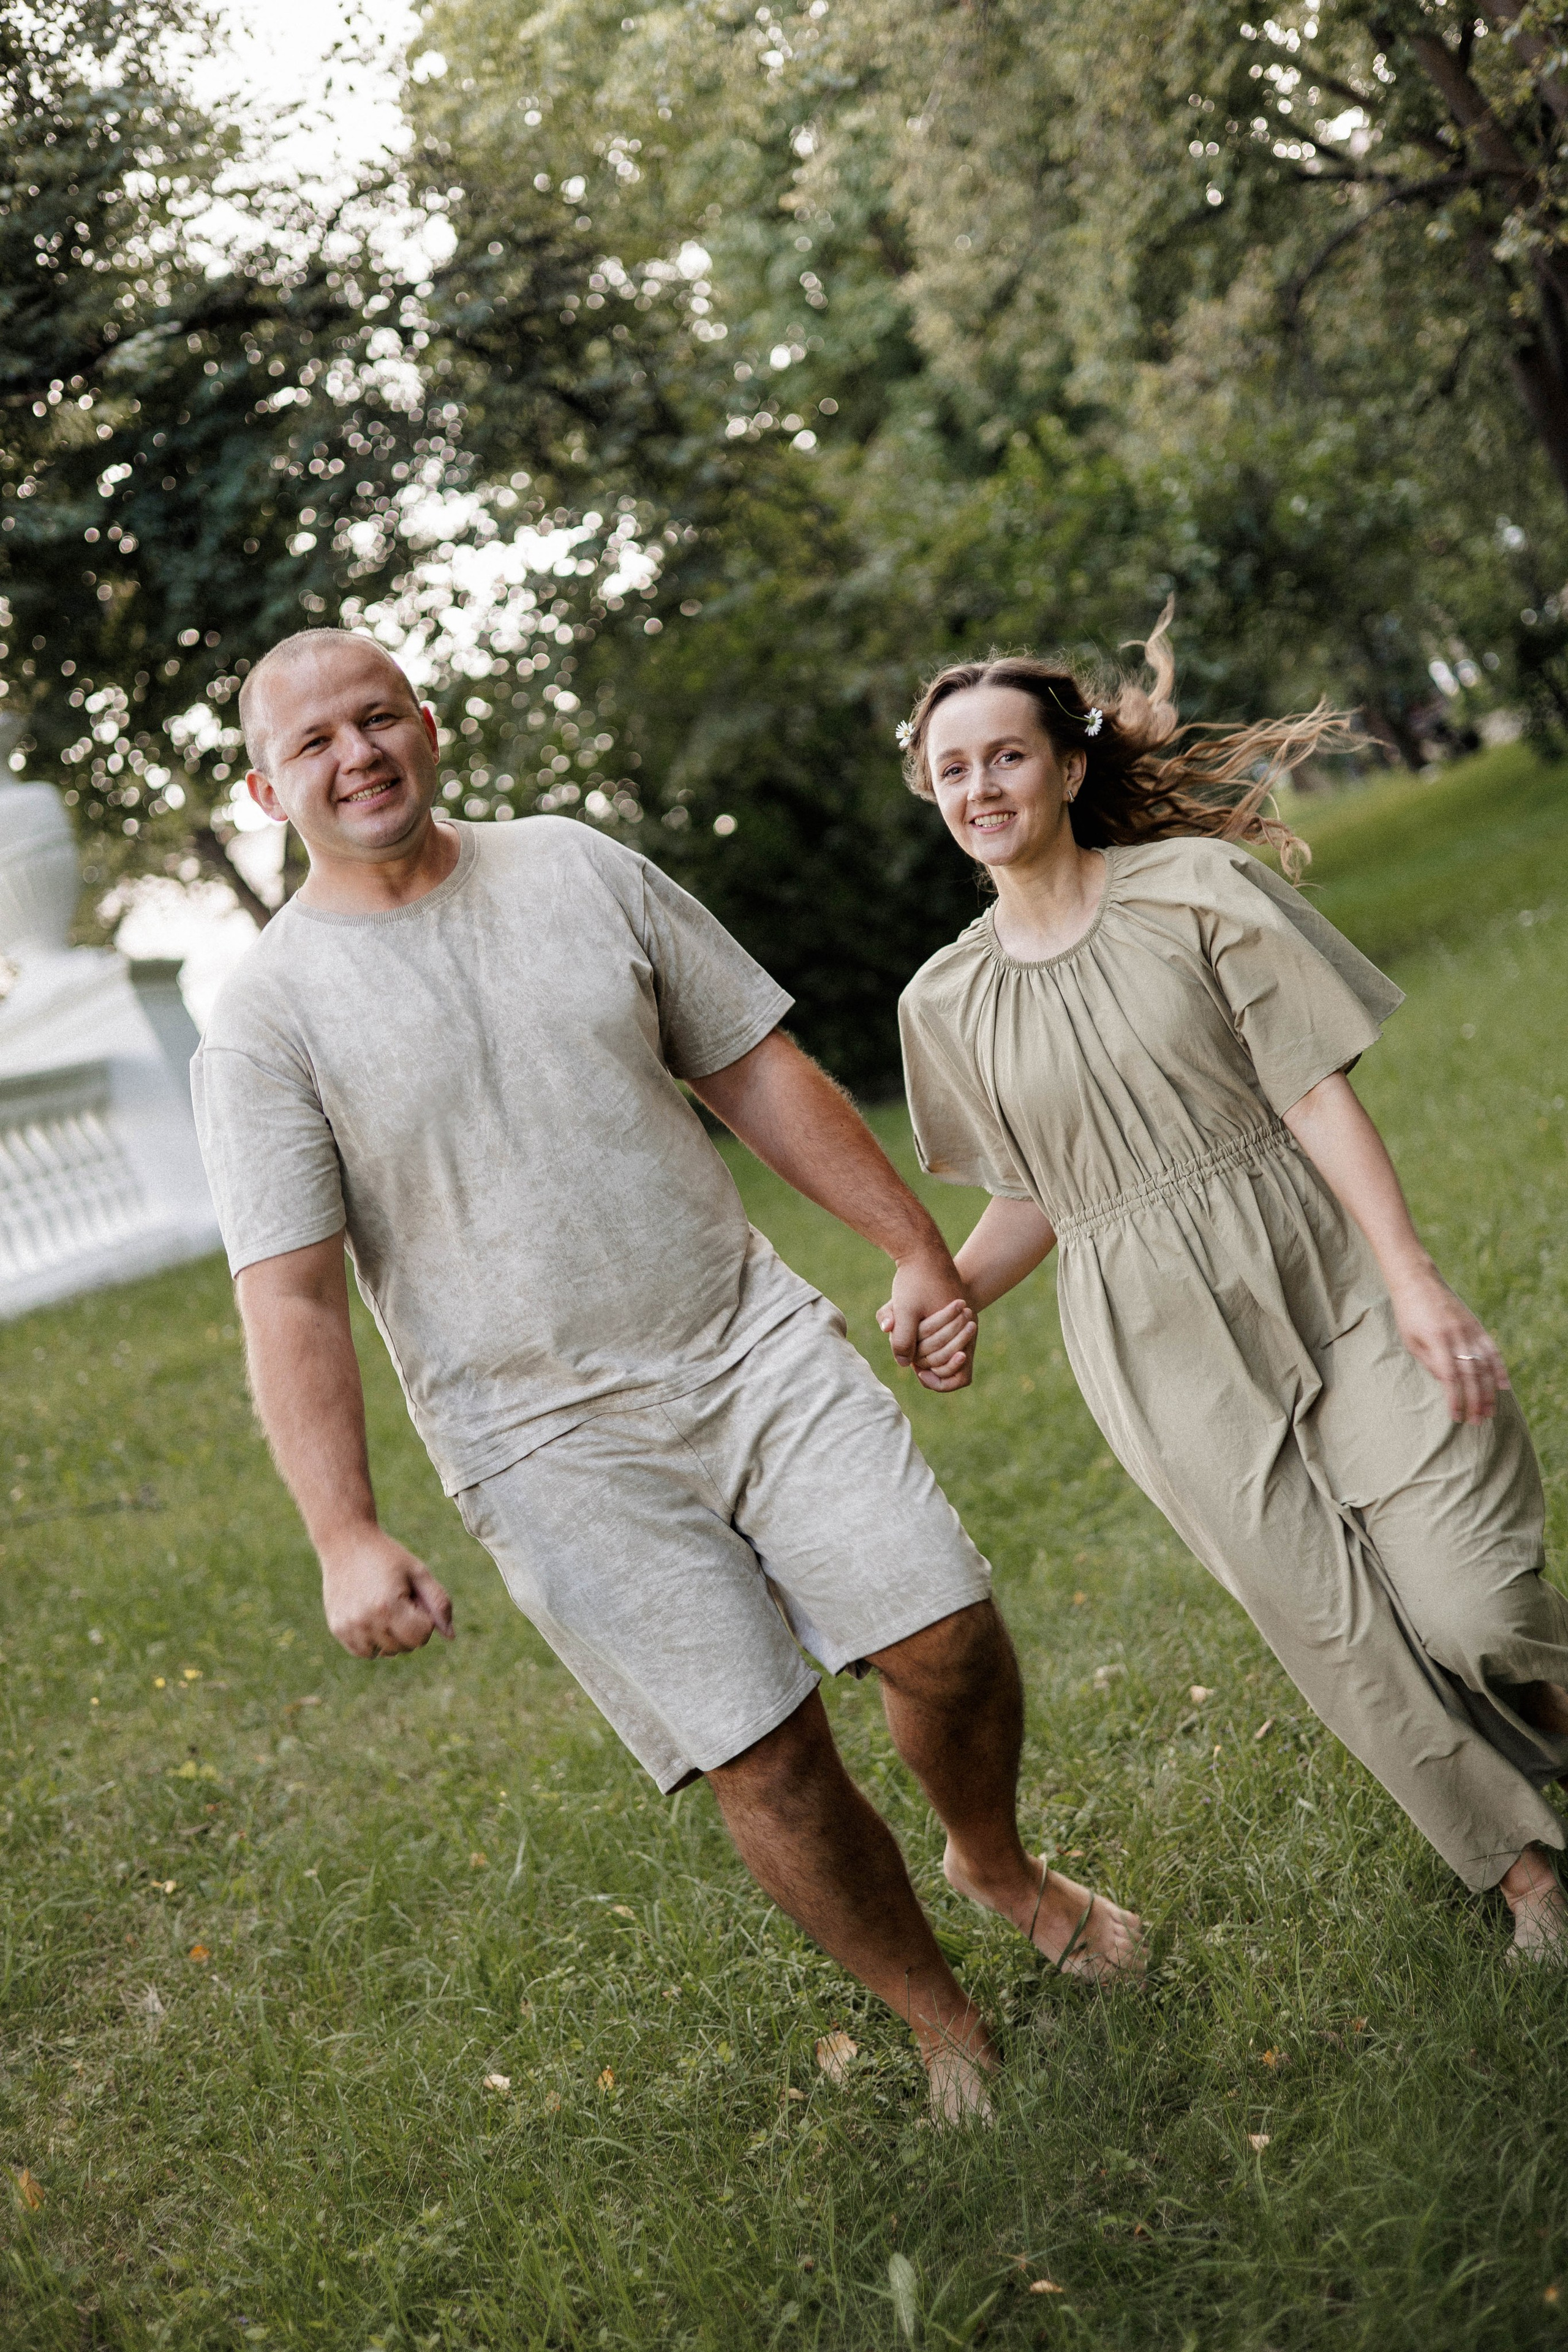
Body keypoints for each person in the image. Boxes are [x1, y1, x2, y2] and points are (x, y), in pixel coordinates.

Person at [189, 627, 1145, 2123]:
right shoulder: (267, 1019)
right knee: (762, 1753)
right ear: (265, 791)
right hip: (539, 1438)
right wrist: (345, 1533)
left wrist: (913, 1245)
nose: (355, 755)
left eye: (376, 719)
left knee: (946, 1632)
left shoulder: (575, 867)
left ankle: (995, 1864)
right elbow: (293, 1294)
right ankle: (939, 2021)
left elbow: (750, 1065)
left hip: (741, 1339)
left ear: (428, 726)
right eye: (312, 743)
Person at [887, 610, 1568, 1959]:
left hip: (1324, 1270)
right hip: (1154, 1346)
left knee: (1474, 1606)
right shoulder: (943, 1003)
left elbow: (1311, 1092)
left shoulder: (1196, 889)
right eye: (951, 770)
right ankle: (1522, 1873)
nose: (981, 788)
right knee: (1338, 1632)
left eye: (1006, 757)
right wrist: (948, 1291)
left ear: (1068, 767)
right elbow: (1039, 1193)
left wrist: (1413, 1279)